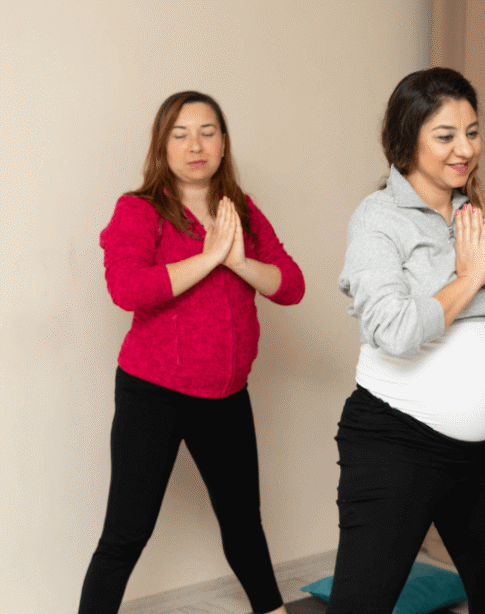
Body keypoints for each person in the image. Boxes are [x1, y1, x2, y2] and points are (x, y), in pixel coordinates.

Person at [329, 67, 485, 613]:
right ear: (407, 139)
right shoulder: (377, 218)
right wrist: (467, 280)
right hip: (395, 443)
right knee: (361, 605)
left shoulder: (478, 217)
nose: (465, 149)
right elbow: (393, 330)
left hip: (481, 454)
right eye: (446, 136)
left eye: (472, 132)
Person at [82, 91, 303, 614]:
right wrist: (208, 258)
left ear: (224, 144)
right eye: (179, 135)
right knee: (127, 532)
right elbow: (127, 289)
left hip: (225, 396)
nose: (195, 145)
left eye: (207, 132)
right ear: (162, 146)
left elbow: (290, 285)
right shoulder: (138, 209)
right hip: (153, 394)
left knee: (243, 525)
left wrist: (239, 261)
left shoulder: (241, 210)